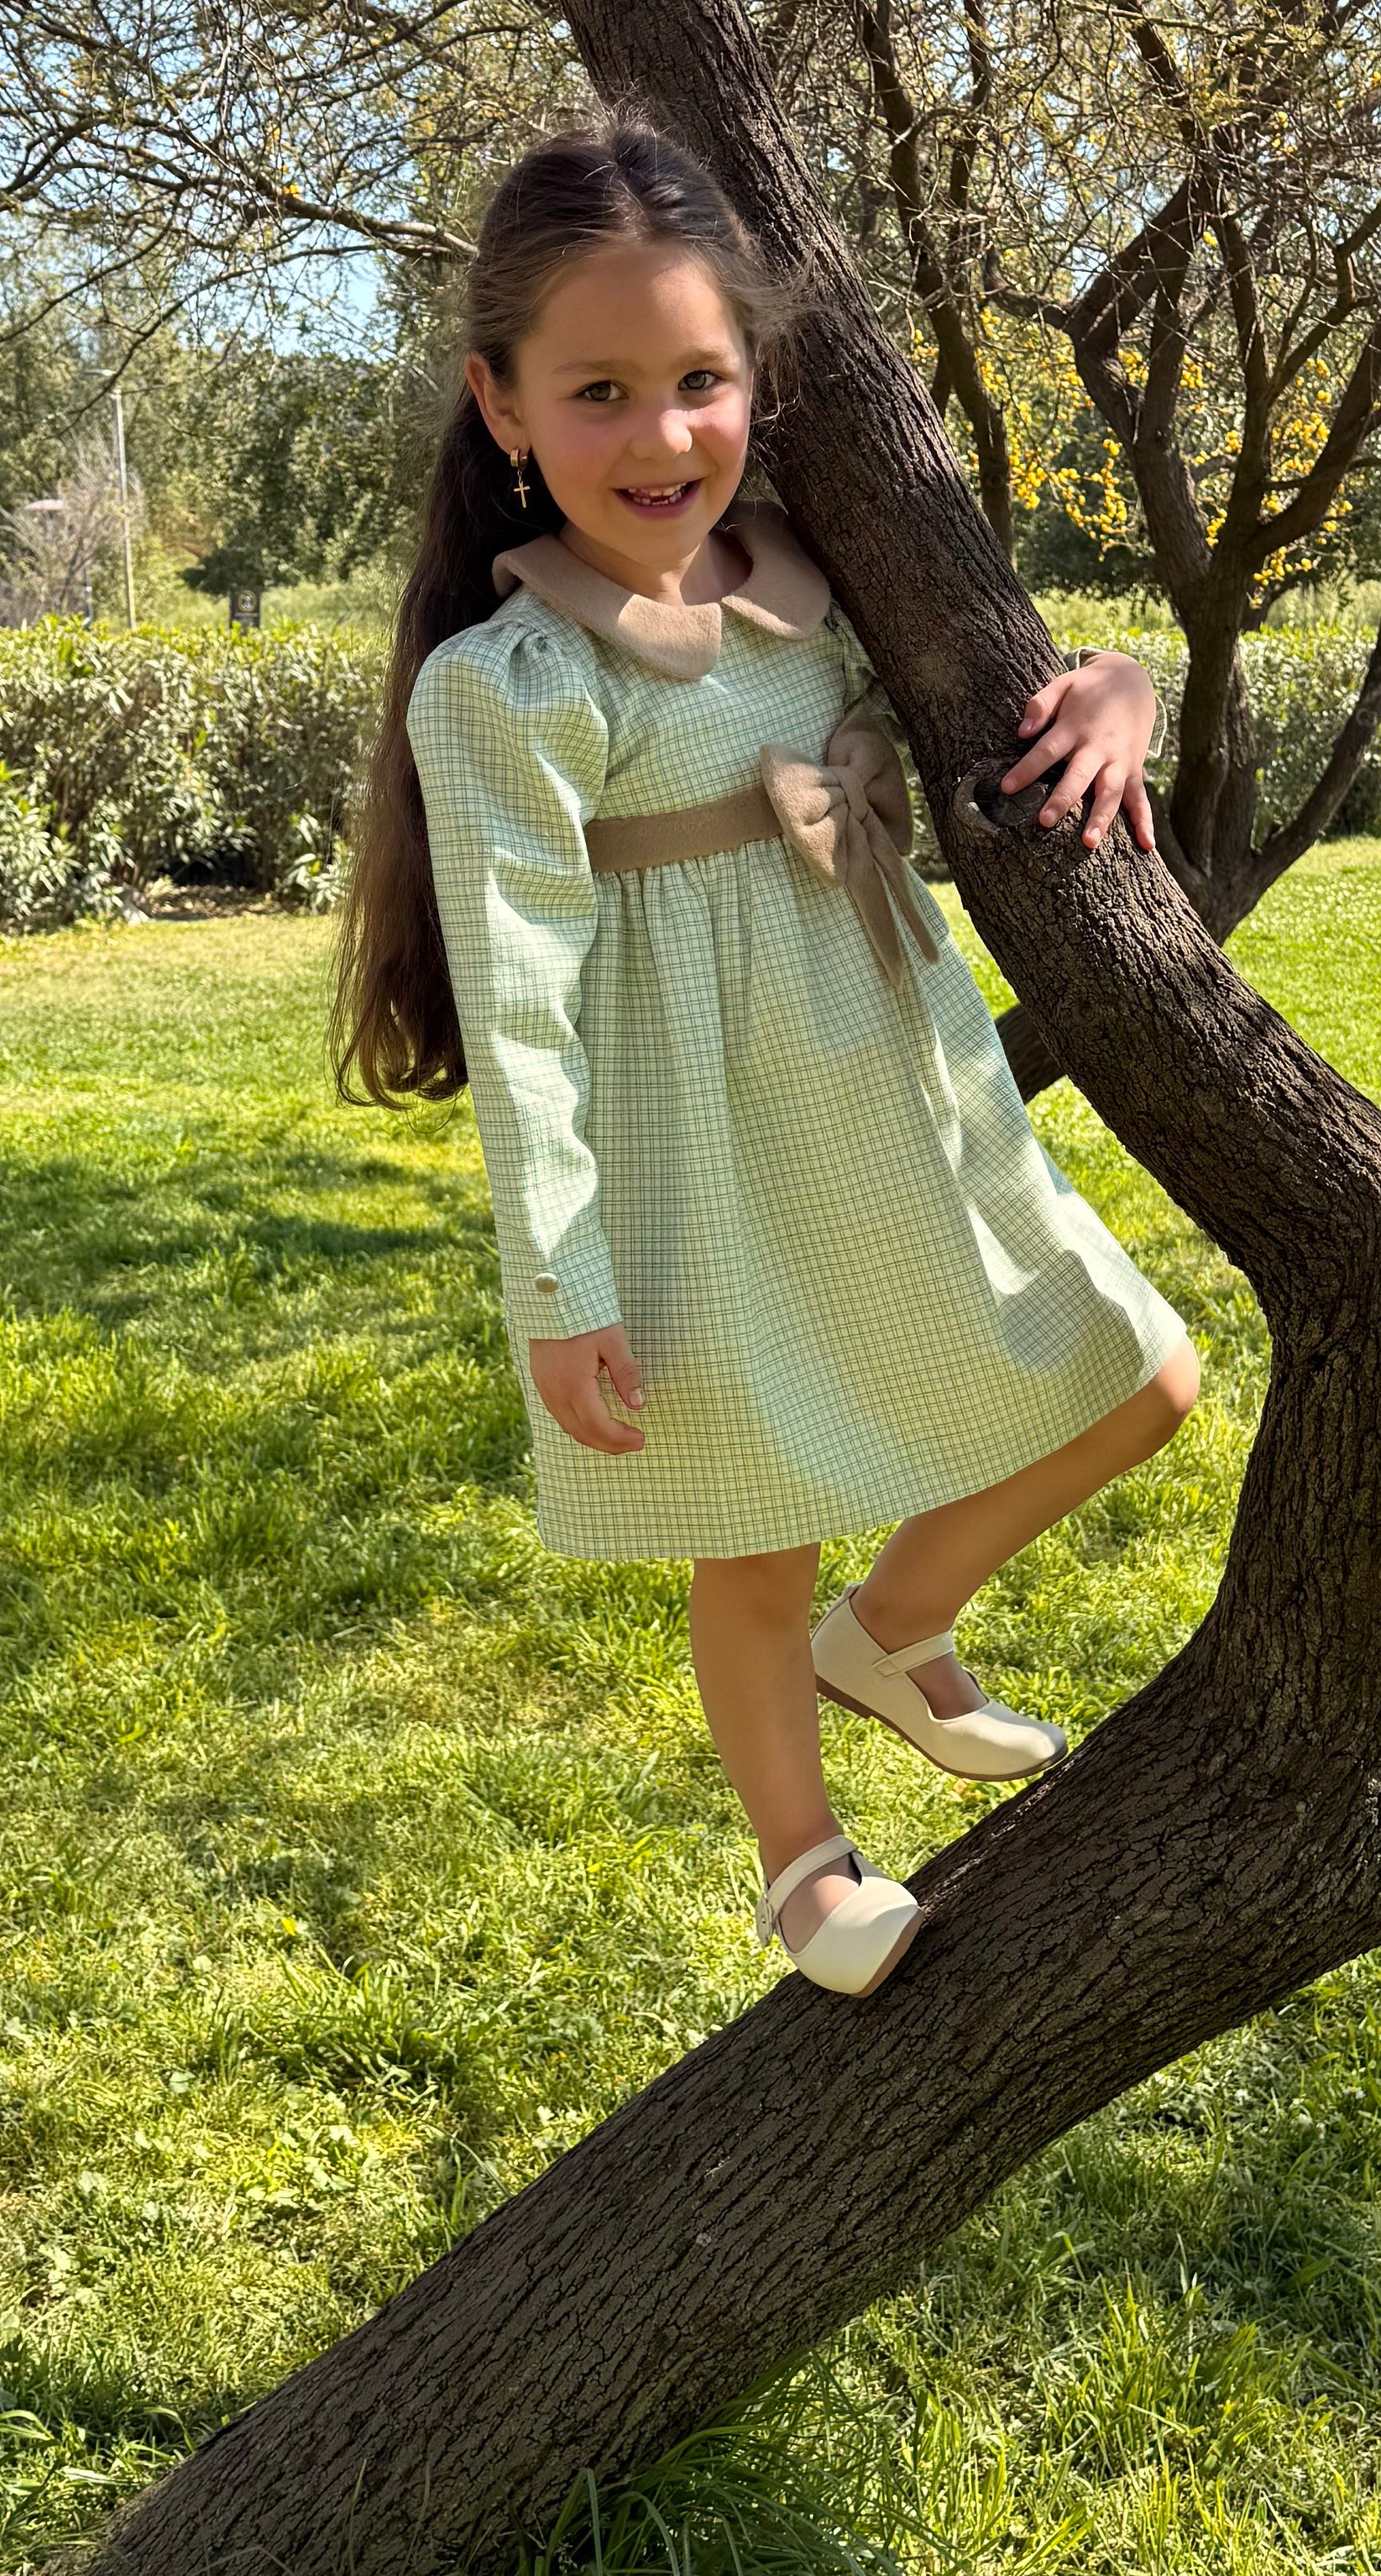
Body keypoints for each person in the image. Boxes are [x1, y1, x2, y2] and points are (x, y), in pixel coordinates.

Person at [335, 112, 1200, 1994]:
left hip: (896, 1092)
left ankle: (894, 1632)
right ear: (501, 406)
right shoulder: (512, 685)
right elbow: (526, 994)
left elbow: (1009, 683)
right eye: (600, 391)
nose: (660, 437)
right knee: (754, 1523)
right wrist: (558, 1279)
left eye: (700, 380)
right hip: (689, 1146)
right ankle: (804, 1862)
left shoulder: (812, 589)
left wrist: (1128, 684)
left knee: (1146, 1370)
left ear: (761, 379)